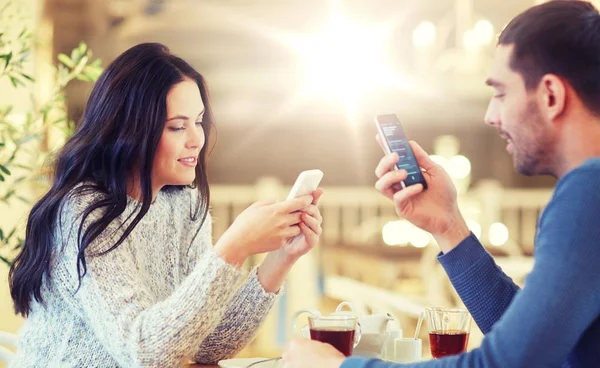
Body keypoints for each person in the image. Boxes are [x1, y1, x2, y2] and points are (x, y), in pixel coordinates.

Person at [282, 1, 600, 367]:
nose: (490, 116)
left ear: (550, 96)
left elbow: (503, 365)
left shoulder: (587, 195)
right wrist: (448, 225)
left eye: (500, 94)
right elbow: (530, 346)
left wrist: (336, 367)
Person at [9, 42, 324, 367]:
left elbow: (210, 344)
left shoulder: (184, 208)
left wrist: (281, 258)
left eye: (198, 121)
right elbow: (144, 353)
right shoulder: (85, 213)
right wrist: (234, 246)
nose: (196, 139)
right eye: (177, 126)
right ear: (130, 131)